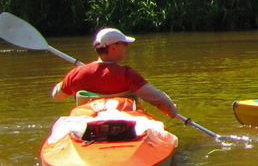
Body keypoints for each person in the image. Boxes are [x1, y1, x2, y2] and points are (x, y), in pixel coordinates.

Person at [51, 27, 180, 120]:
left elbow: (57, 96)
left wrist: (73, 77)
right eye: (124, 44)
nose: (127, 48)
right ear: (112, 47)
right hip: (125, 130)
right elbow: (160, 100)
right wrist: (172, 110)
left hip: (89, 128)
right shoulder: (127, 75)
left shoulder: (76, 74)